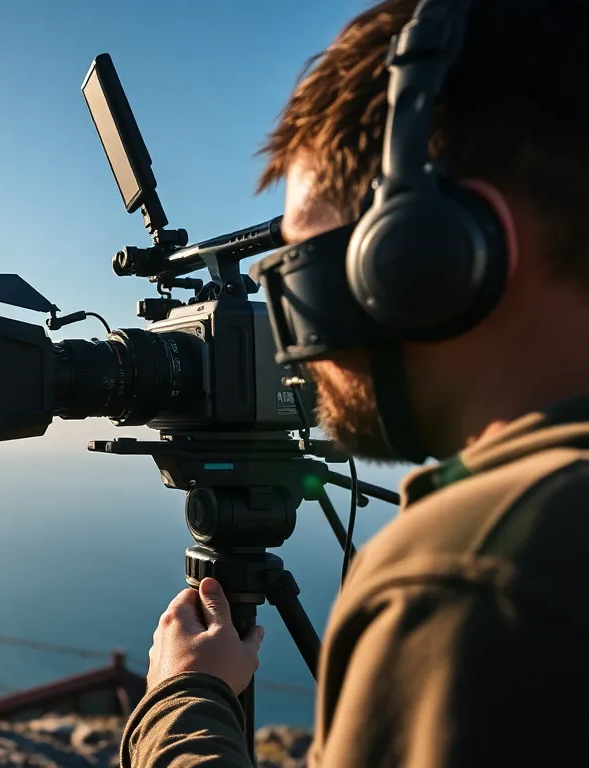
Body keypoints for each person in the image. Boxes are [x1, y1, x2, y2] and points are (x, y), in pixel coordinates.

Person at [122, 0, 589, 765]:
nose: (294, 352)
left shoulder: (471, 579)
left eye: (303, 280)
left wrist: (181, 704)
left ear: (421, 258)